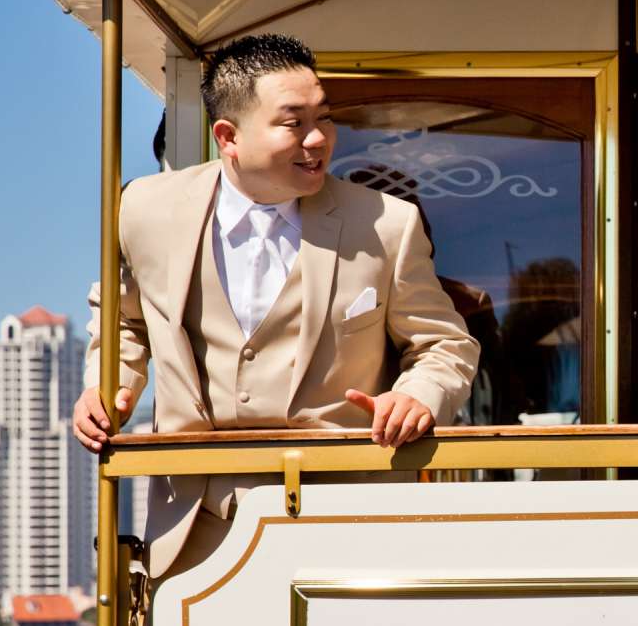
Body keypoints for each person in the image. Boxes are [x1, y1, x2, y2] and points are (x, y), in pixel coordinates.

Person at [71, 33, 480, 579]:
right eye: (293, 123)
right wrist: (106, 387)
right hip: (194, 525)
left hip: (348, 520)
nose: (319, 139)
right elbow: (124, 322)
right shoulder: (143, 208)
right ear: (228, 137)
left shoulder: (387, 223)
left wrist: (417, 397)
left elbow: (444, 345)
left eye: (325, 118)